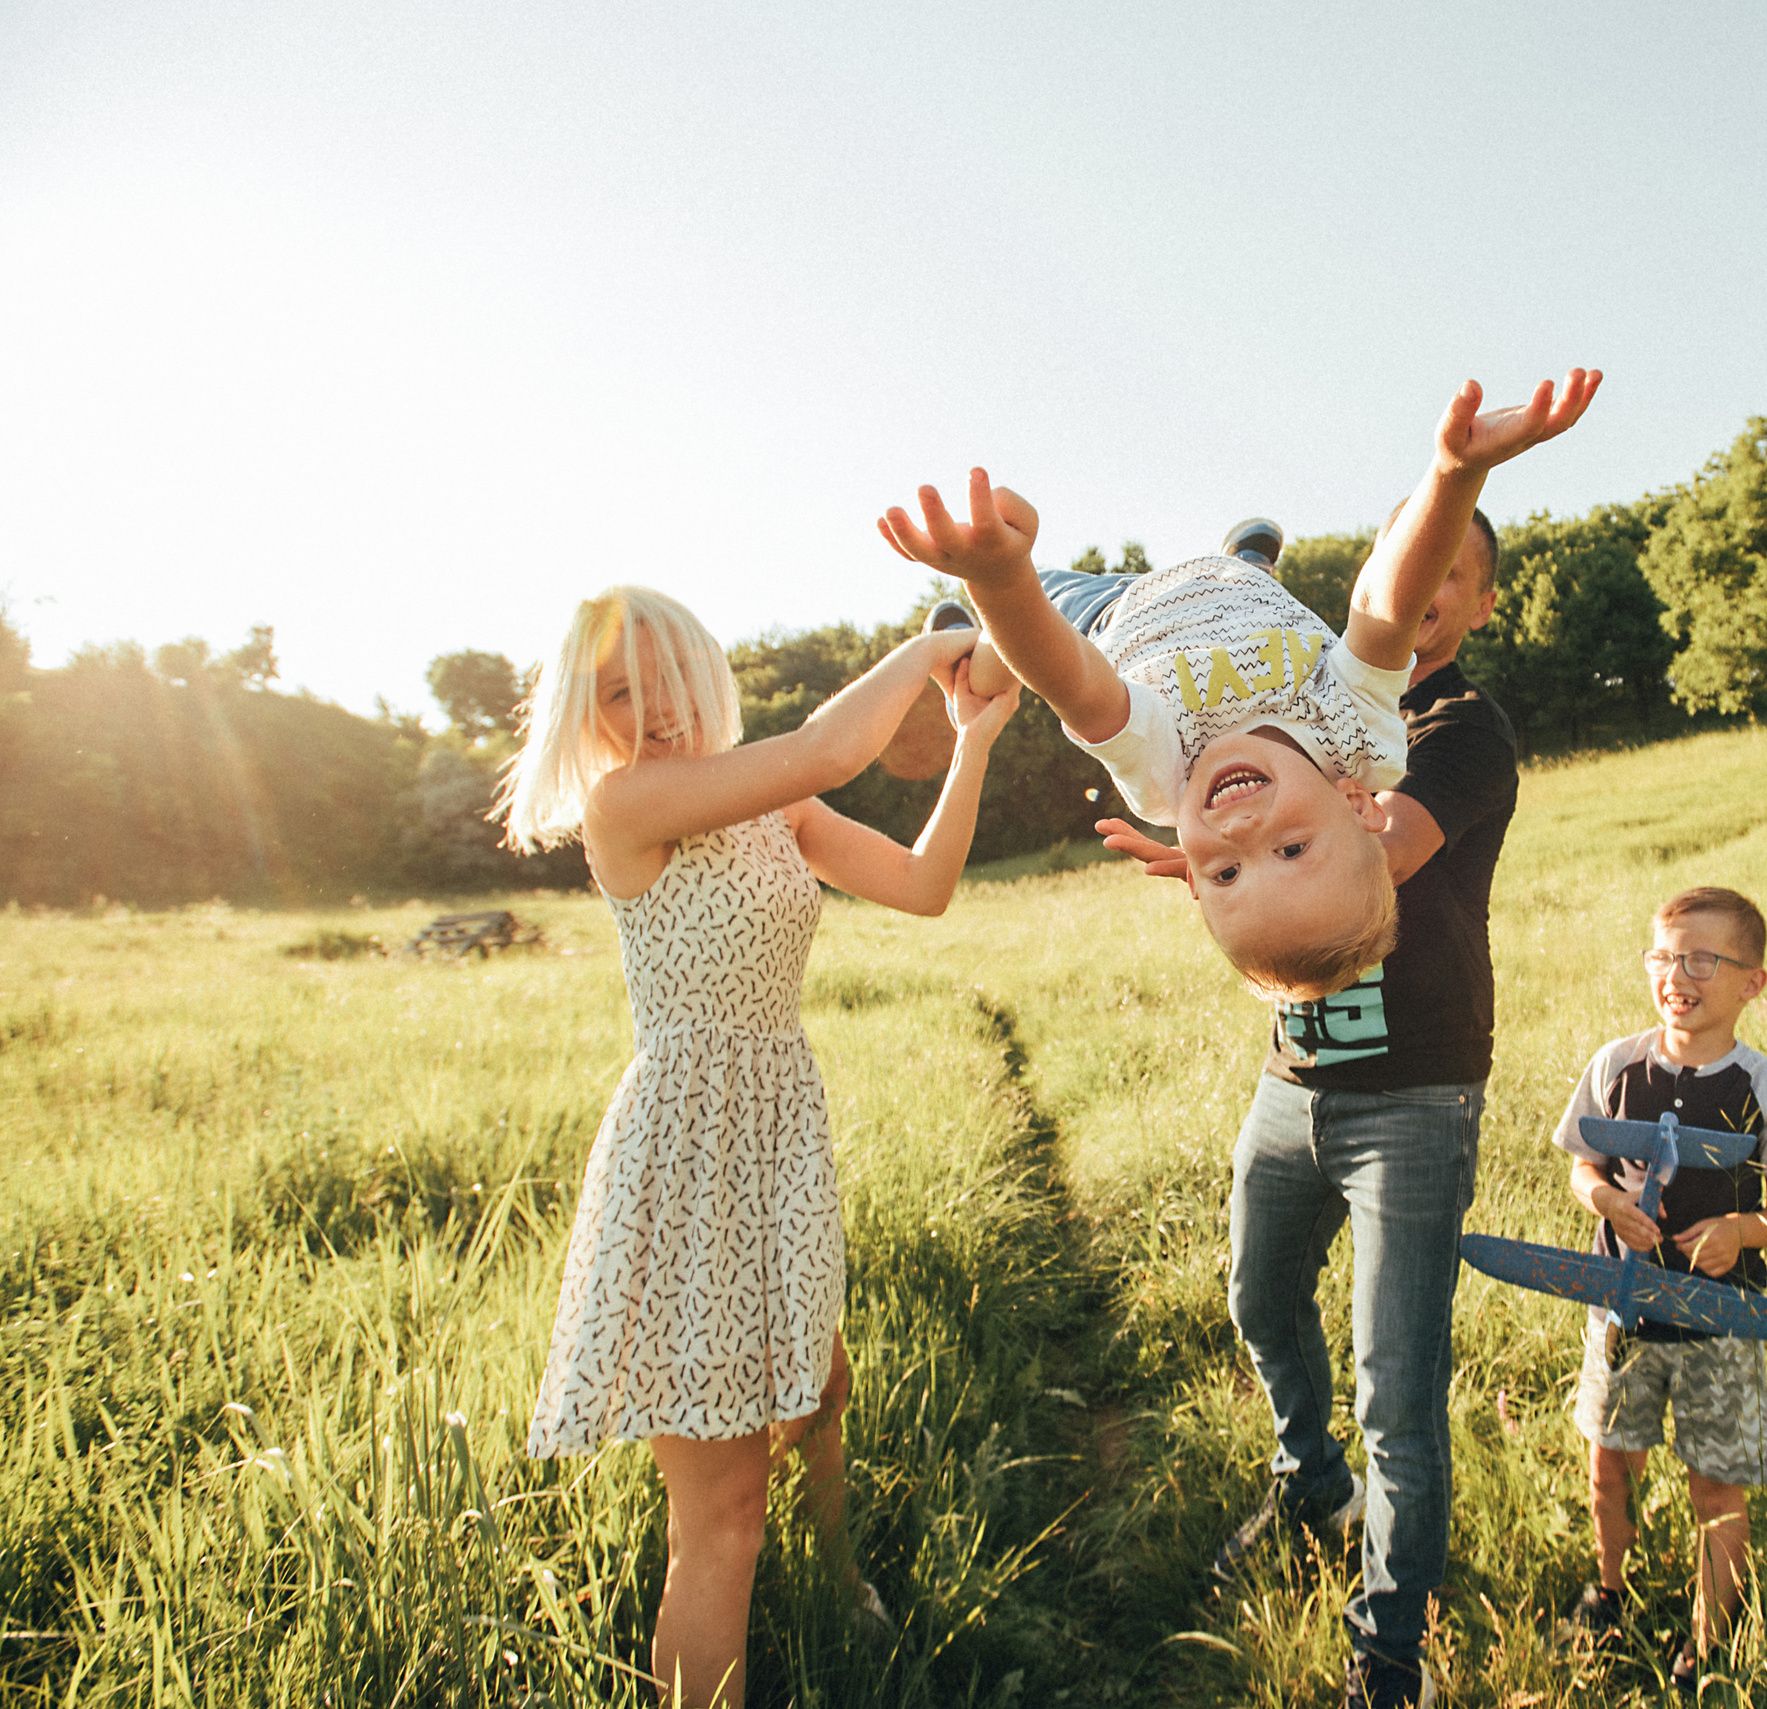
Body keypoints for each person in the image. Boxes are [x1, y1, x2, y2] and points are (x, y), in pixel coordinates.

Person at [498, 586, 1017, 1709]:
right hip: (686, 1156)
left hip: (776, 1136)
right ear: (585, 720)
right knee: (723, 1513)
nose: (646, 710)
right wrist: (936, 643)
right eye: (614, 693)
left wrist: (972, 740)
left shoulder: (771, 811)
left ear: (704, 670)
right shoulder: (629, 802)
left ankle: (834, 1583)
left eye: (660, 677)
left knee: (818, 1385)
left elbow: (923, 888)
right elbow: (832, 743)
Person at [1096, 477, 1558, 1707]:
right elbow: (1250, 831)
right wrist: (1202, 846)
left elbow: (1374, 848)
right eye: (1415, 557)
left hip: (1415, 1087)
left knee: (1395, 1384)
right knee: (1257, 1296)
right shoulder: (1301, 708)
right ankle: (1310, 1486)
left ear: (1474, 598)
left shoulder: (1460, 726)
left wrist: (1226, 840)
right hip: (1294, 1072)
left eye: (1452, 568)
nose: (1428, 584)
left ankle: (1387, 1648)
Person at [873, 371, 1598, 1004]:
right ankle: (1247, 558)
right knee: (1253, 587)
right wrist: (1451, 474)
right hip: (1235, 593)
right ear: (1355, 802)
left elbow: (1073, 680)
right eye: (1290, 850)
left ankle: (965, 645)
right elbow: (1386, 607)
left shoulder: (1167, 773)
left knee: (1010, 650)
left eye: (1221, 872)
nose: (1243, 835)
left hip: (1107, 614)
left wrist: (1000, 577)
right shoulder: (1360, 734)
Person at [1550, 886, 1767, 1691]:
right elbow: (1582, 1164)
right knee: (1610, 1463)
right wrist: (1606, 1202)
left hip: (1718, 1322)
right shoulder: (1616, 1064)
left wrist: (1741, 1231)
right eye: (1664, 956)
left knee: (1716, 1483)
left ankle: (1709, 1638)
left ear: (1752, 983)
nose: (1679, 974)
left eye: (1704, 958)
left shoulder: (1763, 1087)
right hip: (1623, 1312)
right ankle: (1607, 1590)